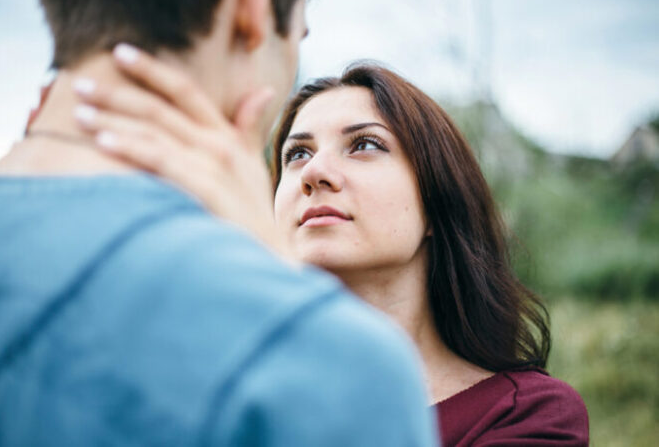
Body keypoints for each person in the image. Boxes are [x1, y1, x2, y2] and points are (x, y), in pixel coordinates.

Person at [0, 0, 439, 445]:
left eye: (364, 145)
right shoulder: (340, 371)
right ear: (251, 5)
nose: (316, 172)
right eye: (298, 35)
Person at [71, 57, 590, 445]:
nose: (314, 173)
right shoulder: (212, 396)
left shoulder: (528, 415)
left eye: (364, 144)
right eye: (296, 154)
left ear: (436, 203)